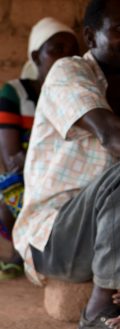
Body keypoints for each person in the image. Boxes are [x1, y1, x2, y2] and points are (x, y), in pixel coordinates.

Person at [13, 0, 120, 329]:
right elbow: (110, 133)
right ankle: (97, 309)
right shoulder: (67, 72)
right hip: (52, 239)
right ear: (91, 37)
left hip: (100, 240)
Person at [0, 17, 79, 280]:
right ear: (36, 56)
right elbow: (12, 157)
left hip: (67, 174)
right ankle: (19, 250)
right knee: (10, 188)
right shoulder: (14, 93)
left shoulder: (77, 91)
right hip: (30, 176)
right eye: (56, 49)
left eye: (72, 51)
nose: (66, 57)